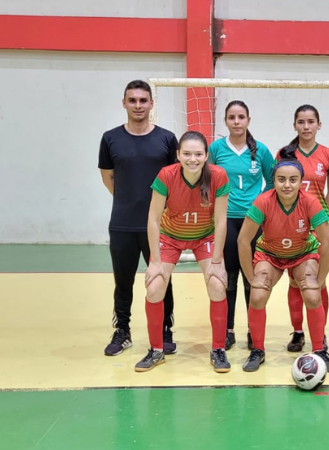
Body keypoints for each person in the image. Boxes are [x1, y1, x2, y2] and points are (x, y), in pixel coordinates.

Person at [134, 131, 232, 373]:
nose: (192, 159)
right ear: (178, 155)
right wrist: (155, 262)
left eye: (198, 154)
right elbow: (153, 219)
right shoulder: (166, 175)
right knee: (154, 288)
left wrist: (217, 261)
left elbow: (221, 221)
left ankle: (218, 349)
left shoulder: (218, 176)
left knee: (217, 285)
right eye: (187, 153)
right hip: (170, 237)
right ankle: (156, 350)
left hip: (205, 237)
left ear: (206, 156)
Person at [237, 146, 329, 373]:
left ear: (301, 181)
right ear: (274, 180)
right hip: (270, 254)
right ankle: (258, 350)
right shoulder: (263, 201)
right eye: (281, 179)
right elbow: (243, 240)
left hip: (303, 254)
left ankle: (320, 350)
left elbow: (327, 242)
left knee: (312, 294)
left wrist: (320, 279)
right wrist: (251, 278)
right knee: (257, 295)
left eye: (293, 180)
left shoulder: (310, 202)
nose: (287, 185)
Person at [98, 80, 177, 356]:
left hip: (160, 225)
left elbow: (175, 180)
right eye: (132, 100)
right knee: (123, 281)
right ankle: (122, 331)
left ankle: (165, 329)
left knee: (162, 278)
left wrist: (157, 210)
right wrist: (128, 200)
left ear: (151, 104)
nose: (138, 105)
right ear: (124, 103)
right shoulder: (110, 138)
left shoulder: (167, 139)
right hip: (122, 223)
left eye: (143, 100)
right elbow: (108, 177)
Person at [208, 101, 275, 351]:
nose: (236, 122)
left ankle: (252, 330)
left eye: (241, 117)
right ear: (226, 121)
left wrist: (259, 203)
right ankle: (228, 331)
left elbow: (273, 181)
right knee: (229, 277)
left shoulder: (261, 150)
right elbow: (207, 179)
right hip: (225, 219)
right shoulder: (216, 149)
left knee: (252, 277)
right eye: (232, 117)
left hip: (252, 221)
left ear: (248, 120)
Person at [280, 105, 329, 352]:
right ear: (294, 125)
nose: (306, 126)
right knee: (295, 280)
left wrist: (319, 213)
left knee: (317, 281)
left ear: (319, 124)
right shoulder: (285, 153)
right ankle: (297, 332)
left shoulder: (328, 154)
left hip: (318, 223)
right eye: (301, 122)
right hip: (291, 224)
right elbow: (278, 186)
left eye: (311, 121)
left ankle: (320, 332)